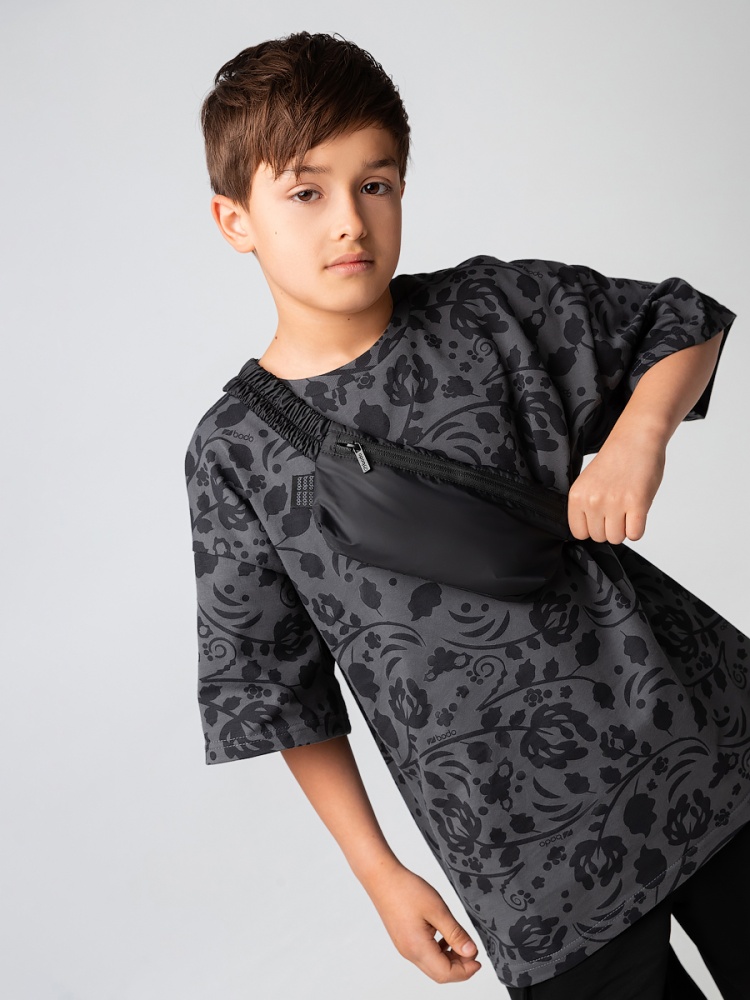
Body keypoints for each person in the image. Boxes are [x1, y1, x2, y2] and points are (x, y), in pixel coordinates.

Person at [184, 30, 748, 997]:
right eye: (307, 192)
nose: (350, 221)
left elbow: (681, 320)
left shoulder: (487, 310)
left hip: (703, 738)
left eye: (376, 183)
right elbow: (274, 687)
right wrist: (380, 873)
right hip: (520, 846)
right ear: (236, 219)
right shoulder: (233, 450)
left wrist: (636, 439)